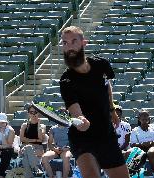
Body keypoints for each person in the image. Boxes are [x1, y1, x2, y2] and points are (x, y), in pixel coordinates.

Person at [59, 26, 130, 178]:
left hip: (106, 135)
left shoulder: (101, 65)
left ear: (84, 43)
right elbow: (74, 109)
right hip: (82, 138)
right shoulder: (66, 81)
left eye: (73, 41)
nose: (69, 47)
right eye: (64, 43)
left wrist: (112, 110)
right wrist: (82, 121)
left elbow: (106, 85)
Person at [129, 110, 154, 177]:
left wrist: (152, 143)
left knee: (151, 152)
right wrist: (142, 144)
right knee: (129, 152)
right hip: (141, 148)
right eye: (142, 115)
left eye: (146, 115)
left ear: (149, 118)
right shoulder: (135, 130)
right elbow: (132, 144)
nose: (144, 117)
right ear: (139, 119)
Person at [42, 109, 72, 178]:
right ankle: (51, 176)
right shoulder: (53, 129)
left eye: (63, 115)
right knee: (44, 157)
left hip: (67, 150)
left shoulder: (70, 128)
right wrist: (55, 149)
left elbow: (73, 143)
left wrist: (67, 148)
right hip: (56, 150)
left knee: (66, 157)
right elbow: (49, 144)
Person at [19, 103, 45, 178]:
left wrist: (38, 125)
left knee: (26, 157)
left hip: (38, 149)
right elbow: (21, 139)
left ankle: (31, 173)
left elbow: (41, 139)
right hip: (25, 147)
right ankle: (36, 168)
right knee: (28, 148)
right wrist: (35, 140)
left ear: (38, 113)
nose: (34, 114)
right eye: (31, 112)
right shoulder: (24, 125)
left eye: (35, 112)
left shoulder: (42, 126)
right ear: (28, 114)